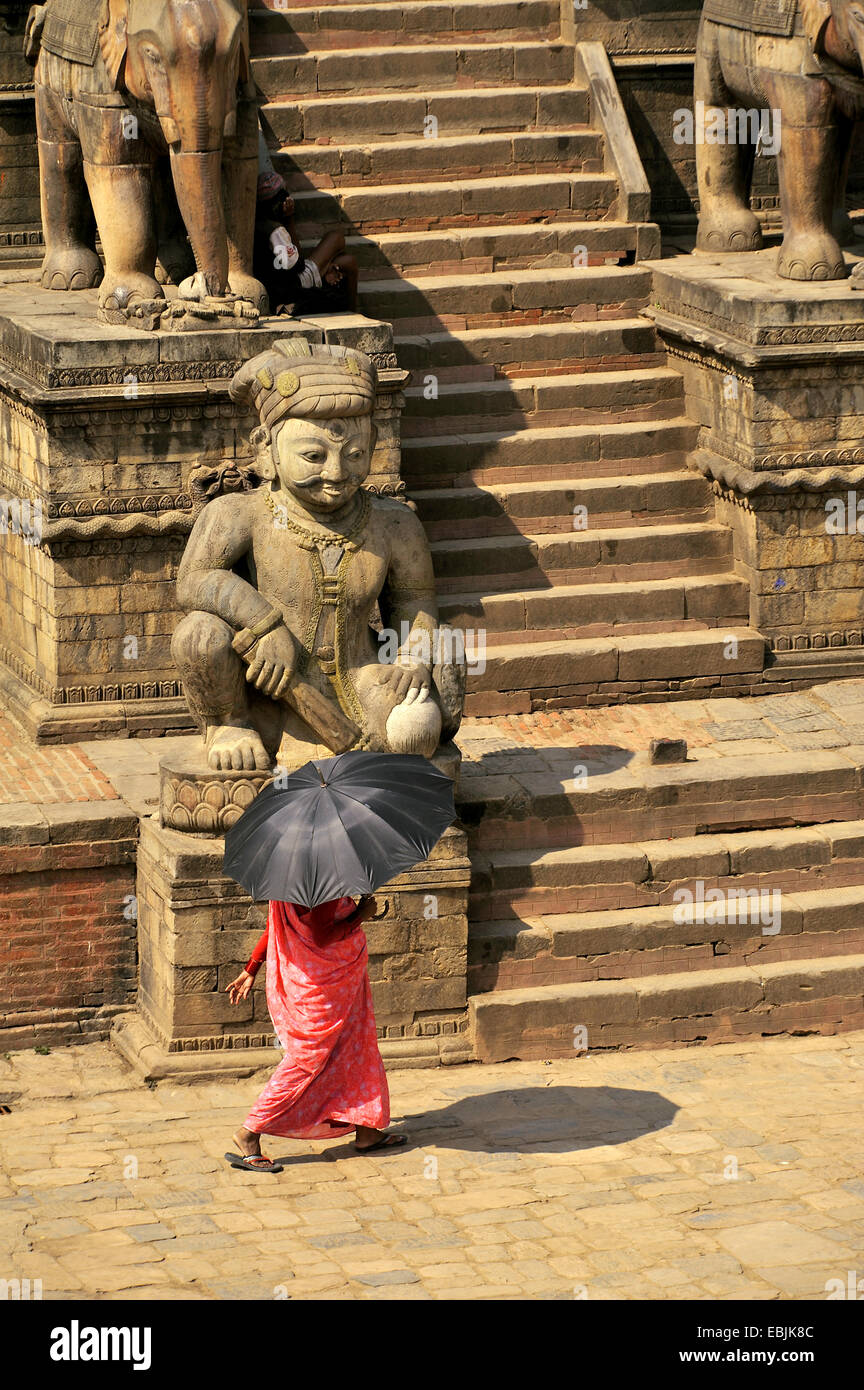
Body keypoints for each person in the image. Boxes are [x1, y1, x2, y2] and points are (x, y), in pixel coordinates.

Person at [224, 893, 408, 1171]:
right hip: (325, 987)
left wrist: (252, 967)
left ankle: (366, 1129)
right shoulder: (322, 887)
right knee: (307, 1060)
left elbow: (276, 927)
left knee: (354, 1047)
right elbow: (321, 936)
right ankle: (249, 1132)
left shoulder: (289, 879)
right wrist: (361, 915)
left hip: (331, 981)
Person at [254, 170, 359, 316]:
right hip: (295, 284)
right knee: (336, 238)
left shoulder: (259, 223)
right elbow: (299, 265)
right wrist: (289, 218)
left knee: (348, 261)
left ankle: (353, 312)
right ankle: (353, 310)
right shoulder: (275, 230)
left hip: (285, 280)